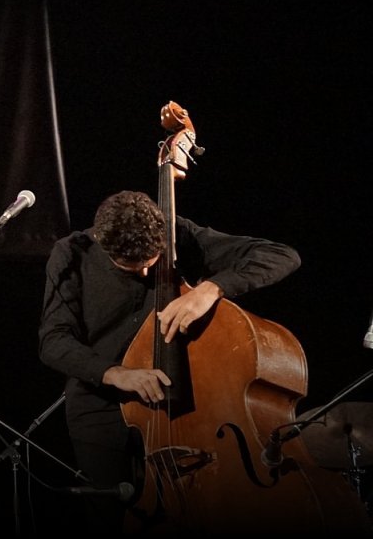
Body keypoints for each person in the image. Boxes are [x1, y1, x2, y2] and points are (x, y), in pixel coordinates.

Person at [37, 190, 301, 534]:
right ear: (101, 242)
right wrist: (116, 373)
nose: (148, 271)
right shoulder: (72, 253)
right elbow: (53, 341)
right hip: (101, 410)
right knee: (110, 521)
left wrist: (211, 289)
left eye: (153, 260)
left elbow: (283, 255)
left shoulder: (179, 232)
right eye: (133, 267)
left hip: (182, 409)